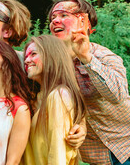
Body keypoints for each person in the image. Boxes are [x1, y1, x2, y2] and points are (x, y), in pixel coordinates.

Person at [0, 0, 87, 149]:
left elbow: (66, 87)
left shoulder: (24, 62)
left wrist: (81, 125)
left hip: (19, 148)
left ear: (8, 31)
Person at [48, 0, 130, 165]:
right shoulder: (49, 66)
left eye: (64, 15)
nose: (56, 20)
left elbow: (118, 95)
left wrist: (86, 58)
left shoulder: (103, 55)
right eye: (53, 18)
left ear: (85, 23)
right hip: (100, 158)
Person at [22, 35, 86, 165]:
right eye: (25, 57)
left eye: (33, 54)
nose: (27, 60)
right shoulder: (35, 98)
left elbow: (58, 154)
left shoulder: (59, 95)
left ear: (52, 56)